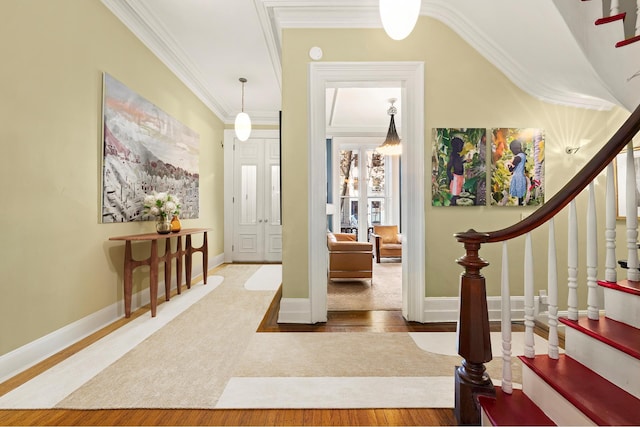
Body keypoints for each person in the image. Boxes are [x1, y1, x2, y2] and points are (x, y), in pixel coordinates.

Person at [447, 136, 465, 206]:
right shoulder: (453, 155)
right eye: (461, 146)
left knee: (459, 194)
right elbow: (449, 167)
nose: (462, 148)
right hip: (456, 177)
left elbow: (458, 163)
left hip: (460, 177)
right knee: (455, 195)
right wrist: (451, 176)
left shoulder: (458, 155)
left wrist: (465, 161)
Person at [508, 139, 527, 205]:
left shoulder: (517, 157)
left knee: (519, 196)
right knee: (520, 195)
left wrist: (508, 164)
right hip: (521, 176)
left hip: (517, 177)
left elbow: (510, 169)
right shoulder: (523, 155)